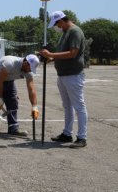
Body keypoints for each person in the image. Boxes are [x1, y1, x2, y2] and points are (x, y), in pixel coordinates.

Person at [39, 10, 88, 148]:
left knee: (79, 106)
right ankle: (67, 133)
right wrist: (50, 58)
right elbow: (61, 54)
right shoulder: (66, 34)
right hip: (63, 75)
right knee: (67, 106)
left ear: (61, 21)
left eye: (57, 25)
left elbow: (73, 53)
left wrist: (51, 54)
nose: (57, 28)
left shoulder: (75, 32)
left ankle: (82, 137)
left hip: (73, 75)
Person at [0, 54, 40, 137]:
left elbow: (31, 89)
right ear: (25, 63)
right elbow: (0, 81)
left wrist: (34, 106)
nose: (30, 70)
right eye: (30, 68)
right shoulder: (9, 64)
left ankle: (13, 128)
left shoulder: (28, 71)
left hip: (9, 79)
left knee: (13, 101)